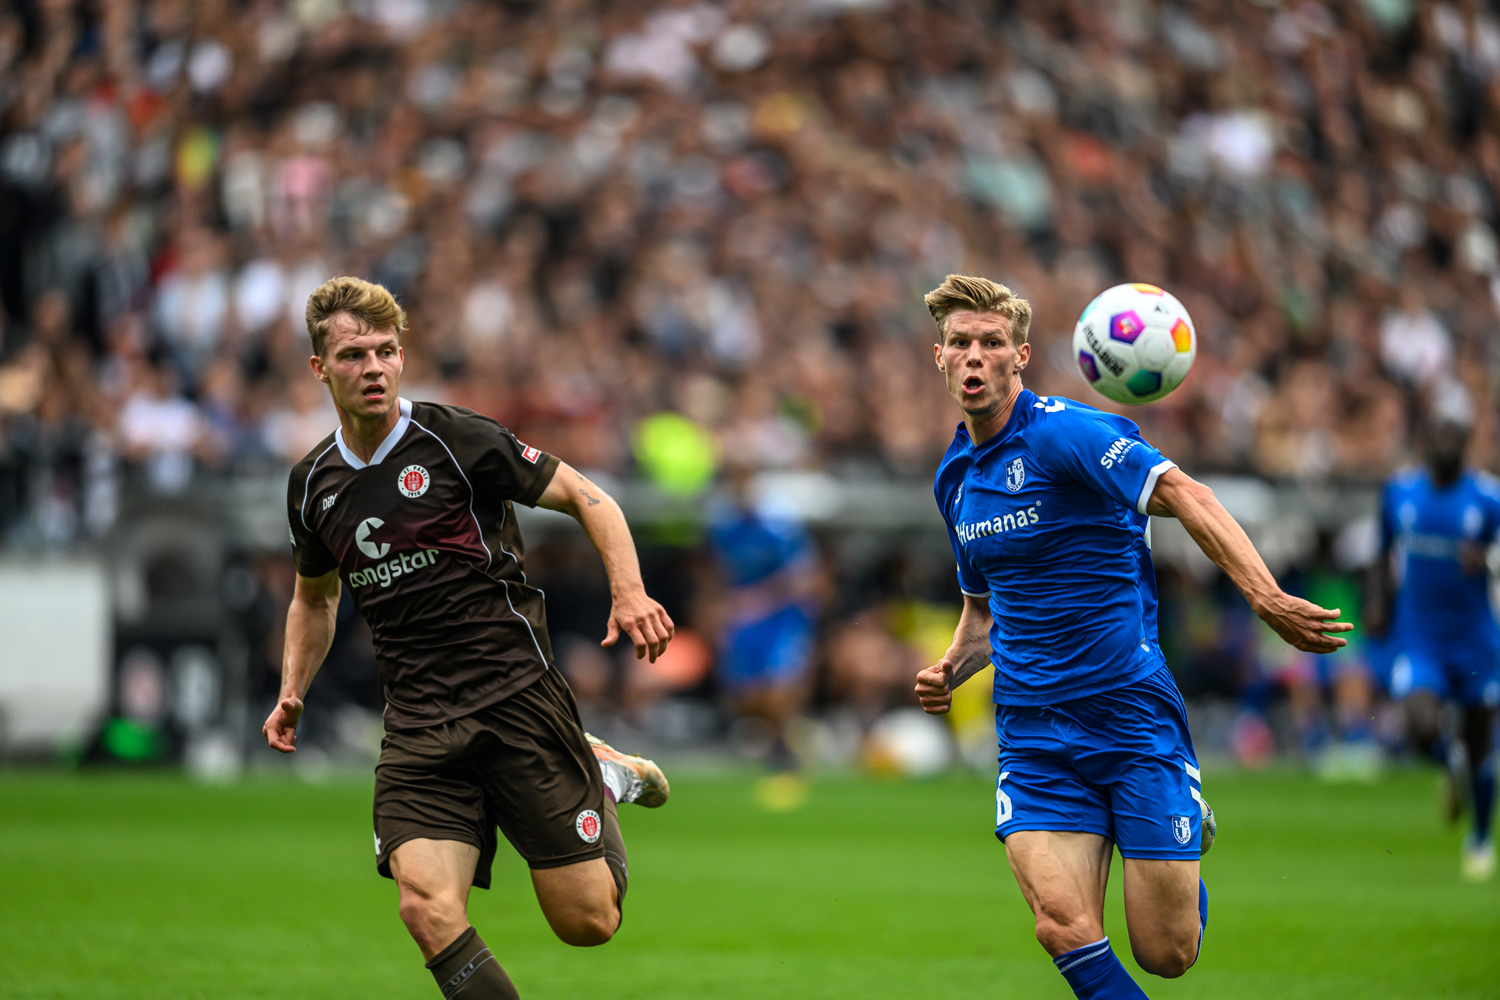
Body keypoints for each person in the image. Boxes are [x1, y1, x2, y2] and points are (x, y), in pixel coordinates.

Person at [912, 275, 1349, 1000]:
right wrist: (954, 665)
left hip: (1127, 711)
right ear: (940, 358)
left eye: (991, 343)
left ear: (1020, 357)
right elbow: (985, 608)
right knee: (1060, 925)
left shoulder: (1068, 434)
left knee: (1166, 954)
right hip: (1030, 730)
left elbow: (1185, 493)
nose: (975, 356)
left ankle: (1188, 819)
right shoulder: (955, 479)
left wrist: (1264, 595)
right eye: (961, 343)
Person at [262, 277, 676, 999]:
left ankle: (604, 775)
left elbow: (587, 495)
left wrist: (630, 591)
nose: (375, 369)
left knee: (588, 923)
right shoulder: (312, 486)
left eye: (387, 352)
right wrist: (292, 691)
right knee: (425, 907)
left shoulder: (452, 439)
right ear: (319, 368)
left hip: (517, 697)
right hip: (421, 724)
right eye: (354, 355)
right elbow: (314, 598)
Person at [1367, 397, 1500, 881]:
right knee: (1420, 726)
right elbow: (1381, 553)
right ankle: (1452, 764)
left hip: (1476, 640)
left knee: (1482, 738)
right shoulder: (1400, 493)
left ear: (1467, 442)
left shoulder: (1487, 499)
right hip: (1420, 636)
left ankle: (1481, 838)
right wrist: (1377, 602)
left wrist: (1485, 561)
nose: (1446, 442)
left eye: (1454, 434)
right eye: (1438, 432)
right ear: (1424, 438)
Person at [707, 462, 821, 770]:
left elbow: (803, 577)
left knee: (780, 689)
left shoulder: (779, 525)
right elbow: (719, 572)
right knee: (746, 696)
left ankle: (786, 747)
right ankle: (773, 743)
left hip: (780, 618)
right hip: (743, 620)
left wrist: (758, 600)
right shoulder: (722, 526)